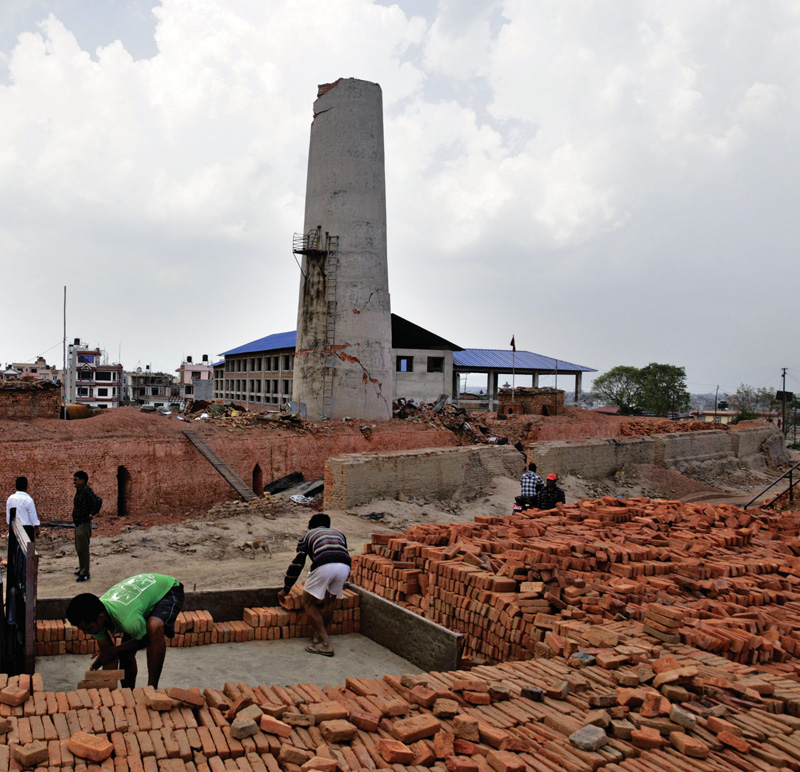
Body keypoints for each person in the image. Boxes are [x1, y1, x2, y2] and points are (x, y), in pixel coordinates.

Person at [66, 573, 184, 688]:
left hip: (168, 589)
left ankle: (152, 688)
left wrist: (114, 651)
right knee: (125, 651)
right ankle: (128, 692)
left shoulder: (127, 619)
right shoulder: (96, 615)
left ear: (100, 618)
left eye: (88, 629)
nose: (86, 633)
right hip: (138, 602)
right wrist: (107, 692)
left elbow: (145, 640)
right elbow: (108, 653)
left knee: (155, 626)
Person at [278, 513, 351, 657]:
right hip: (345, 566)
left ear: (311, 525)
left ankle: (326, 644)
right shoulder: (339, 534)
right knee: (330, 601)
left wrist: (285, 589)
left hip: (325, 564)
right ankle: (319, 635)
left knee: (307, 602)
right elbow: (341, 553)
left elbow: (298, 564)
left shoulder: (308, 535)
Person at [72, 470, 102, 583]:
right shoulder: (80, 491)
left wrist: (92, 514)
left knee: (83, 549)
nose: (74, 482)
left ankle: (85, 574)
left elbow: (98, 501)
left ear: (82, 480)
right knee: (79, 548)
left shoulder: (86, 490)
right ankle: (81, 569)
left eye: (76, 479)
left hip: (83, 524)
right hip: (79, 523)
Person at [6, 476, 40, 541]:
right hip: (27, 530)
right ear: (27, 486)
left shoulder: (10, 499)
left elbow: (8, 516)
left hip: (14, 528)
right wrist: (36, 528)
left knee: (13, 550)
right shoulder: (28, 500)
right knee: (30, 550)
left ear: (16, 486)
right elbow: (33, 516)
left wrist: (10, 525)